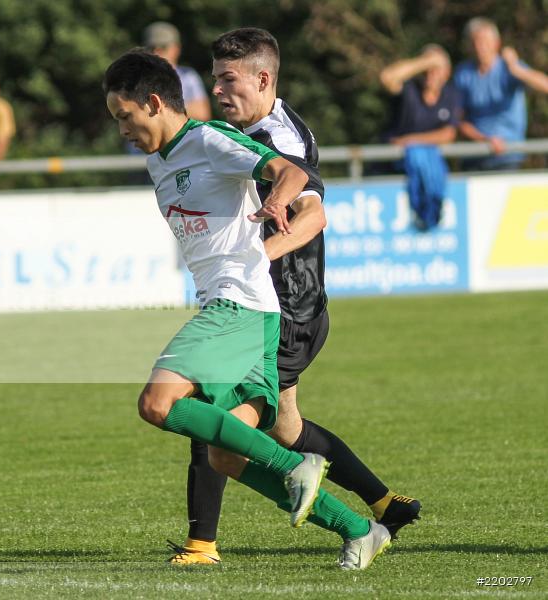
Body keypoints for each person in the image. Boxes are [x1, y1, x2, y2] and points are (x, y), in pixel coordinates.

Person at [104, 49, 391, 570]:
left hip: (239, 305)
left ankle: (295, 462)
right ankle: (360, 529)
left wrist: (279, 199)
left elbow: (289, 170)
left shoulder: (209, 140)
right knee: (224, 454)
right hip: (244, 312)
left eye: (125, 116)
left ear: (152, 102)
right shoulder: (157, 161)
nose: (121, 128)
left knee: (156, 403)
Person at [165, 28, 420, 567]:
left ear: (262, 79)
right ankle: (384, 505)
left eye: (228, 80)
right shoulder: (240, 131)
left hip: (287, 305)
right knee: (286, 426)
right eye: (214, 80)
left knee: (217, 418)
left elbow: (314, 214)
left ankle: (202, 546)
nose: (217, 90)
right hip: (271, 301)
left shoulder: (279, 138)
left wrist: (261, 253)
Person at [454, 17, 548, 170]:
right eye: (475, 41)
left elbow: (545, 85)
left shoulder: (509, 68)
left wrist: (516, 69)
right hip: (474, 155)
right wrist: (484, 139)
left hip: (507, 156)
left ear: (497, 43)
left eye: (484, 41)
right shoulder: (463, 74)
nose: (480, 47)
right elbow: (457, 118)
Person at [380, 45, 460, 147]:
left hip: (426, 156)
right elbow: (386, 78)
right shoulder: (409, 88)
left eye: (436, 69)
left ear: (447, 73)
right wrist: (426, 61)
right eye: (426, 68)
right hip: (397, 158)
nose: (430, 73)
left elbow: (448, 134)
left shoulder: (451, 94)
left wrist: (410, 141)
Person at [143, 22, 212, 121]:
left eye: (163, 47)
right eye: (151, 48)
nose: (156, 52)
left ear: (176, 48)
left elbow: (202, 113)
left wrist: (159, 107)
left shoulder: (188, 76)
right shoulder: (140, 79)